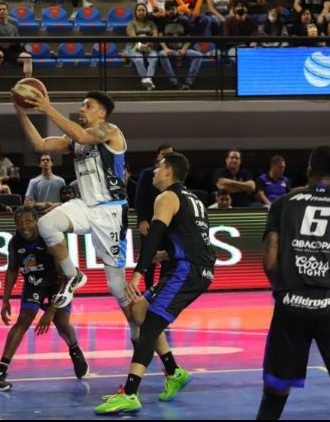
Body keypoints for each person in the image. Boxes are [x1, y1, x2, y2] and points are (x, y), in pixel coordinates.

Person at [256, 145, 330, 420]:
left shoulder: (282, 204)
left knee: (274, 392)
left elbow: (270, 262)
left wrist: (287, 291)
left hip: (291, 304)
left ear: (309, 170)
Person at [95, 152, 216, 414]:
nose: (153, 172)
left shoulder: (167, 197)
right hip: (191, 266)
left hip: (187, 270)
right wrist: (166, 255)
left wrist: (139, 273)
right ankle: (174, 372)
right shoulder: (193, 198)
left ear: (170, 171)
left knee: (150, 325)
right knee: (139, 311)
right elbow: (194, 238)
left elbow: (154, 236)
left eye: (159, 167)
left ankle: (129, 392)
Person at [16, 90, 140, 347]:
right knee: (45, 223)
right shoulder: (73, 139)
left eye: (88, 106)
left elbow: (83, 134)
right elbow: (39, 145)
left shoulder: (110, 131)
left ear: (101, 113)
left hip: (112, 212)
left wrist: (47, 108)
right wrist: (21, 111)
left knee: (117, 287)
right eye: (82, 106)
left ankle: (137, 331)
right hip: (85, 206)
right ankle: (73, 275)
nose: (81, 110)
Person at [0, 206, 89, 391]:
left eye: (28, 221)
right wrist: (5, 300)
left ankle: (74, 350)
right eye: (19, 222)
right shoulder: (15, 242)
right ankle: (0, 372)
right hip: (34, 284)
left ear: (37, 221)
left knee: (61, 322)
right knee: (23, 320)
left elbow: (65, 277)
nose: (23, 225)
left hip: (57, 284)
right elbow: (12, 270)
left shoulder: (49, 239)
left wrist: (50, 311)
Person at [135, 143, 175, 290]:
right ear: (158, 156)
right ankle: (148, 289)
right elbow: (140, 198)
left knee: (167, 258)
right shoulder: (148, 173)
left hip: (168, 223)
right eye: (164, 154)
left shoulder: (174, 176)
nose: (167, 157)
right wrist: (142, 219)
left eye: (170, 154)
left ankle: (161, 288)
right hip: (150, 223)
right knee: (149, 257)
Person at [0, 2, 33, 91]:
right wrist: (3, 42)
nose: (2, 11)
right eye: (0, 9)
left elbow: (18, 41)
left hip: (11, 51)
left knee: (28, 57)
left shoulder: (13, 27)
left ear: (7, 11)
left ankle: (28, 85)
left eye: (4, 9)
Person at [127, 3, 159, 91]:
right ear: (135, 12)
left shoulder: (151, 23)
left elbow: (155, 35)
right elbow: (133, 37)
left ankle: (148, 79)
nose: (141, 12)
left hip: (149, 46)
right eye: (139, 10)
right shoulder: (131, 24)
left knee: (154, 58)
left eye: (143, 10)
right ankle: (146, 80)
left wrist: (148, 43)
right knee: (138, 59)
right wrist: (141, 44)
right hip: (135, 47)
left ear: (146, 12)